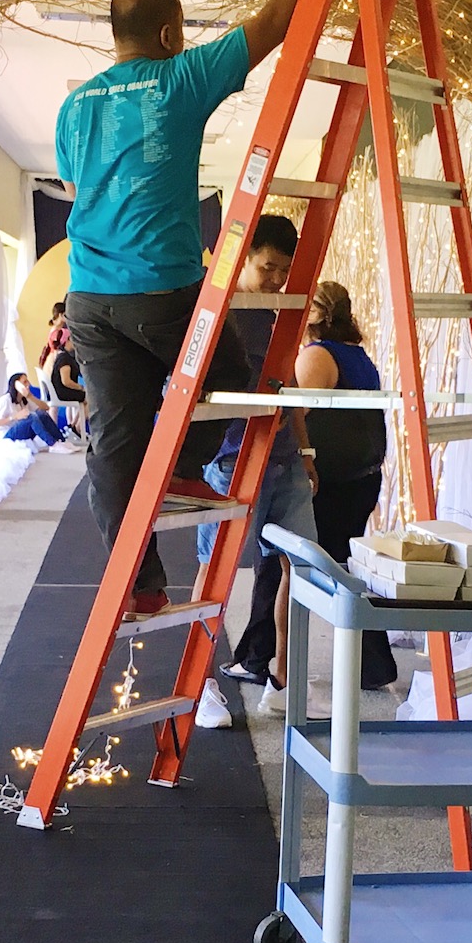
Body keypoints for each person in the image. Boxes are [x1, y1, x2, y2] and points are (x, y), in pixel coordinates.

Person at [56, 0, 306, 618]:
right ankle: (183, 465)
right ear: (169, 33)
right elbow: (274, 22)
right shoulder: (178, 79)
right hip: (163, 288)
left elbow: (78, 192)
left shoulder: (73, 106)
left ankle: (138, 581)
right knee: (225, 372)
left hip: (89, 296)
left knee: (113, 438)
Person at [191, 215, 312, 729]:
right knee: (215, 572)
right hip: (232, 458)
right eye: (267, 268)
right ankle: (199, 685)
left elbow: (291, 385)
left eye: (284, 271)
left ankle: (283, 682)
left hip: (283, 456)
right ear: (243, 258)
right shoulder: (220, 310)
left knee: (302, 568)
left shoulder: (283, 310)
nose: (276, 280)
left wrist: (306, 455)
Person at [295, 280, 396, 690]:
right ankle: (373, 663)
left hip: (330, 478)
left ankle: (372, 662)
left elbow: (295, 411)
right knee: (346, 566)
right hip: (361, 474)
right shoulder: (357, 355)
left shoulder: (318, 356)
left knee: (320, 567)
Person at [0, 372, 61, 447]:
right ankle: (53, 444)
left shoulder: (24, 399)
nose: (28, 384)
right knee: (31, 417)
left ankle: (61, 441)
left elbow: (46, 408)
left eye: (28, 381)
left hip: (23, 432)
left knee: (41, 414)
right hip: (7, 434)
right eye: (25, 382)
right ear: (17, 385)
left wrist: (30, 396)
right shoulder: (5, 400)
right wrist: (14, 417)